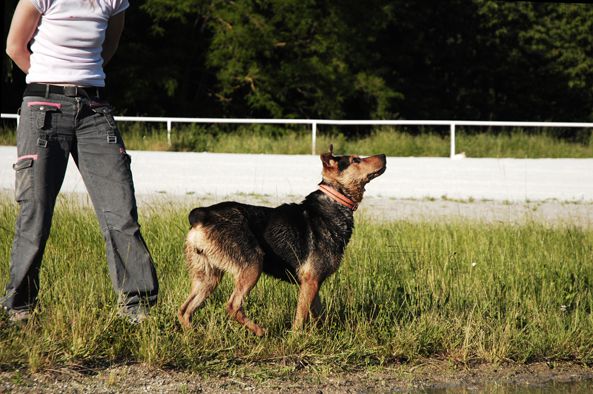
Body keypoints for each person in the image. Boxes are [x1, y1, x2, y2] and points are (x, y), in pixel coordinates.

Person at [2, 0, 158, 323]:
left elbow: (108, 48)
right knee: (36, 211)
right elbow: (15, 46)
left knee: (121, 211)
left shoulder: (113, 1)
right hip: (44, 107)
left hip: (94, 109)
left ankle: (138, 309)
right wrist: (51, 75)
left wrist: (82, 80)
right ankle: (19, 308)